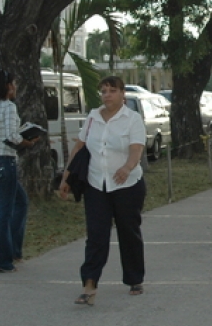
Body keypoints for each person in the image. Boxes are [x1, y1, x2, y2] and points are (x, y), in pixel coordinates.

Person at [59, 76, 148, 303]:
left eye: (112, 90)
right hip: (96, 184)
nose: (107, 94)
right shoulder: (92, 117)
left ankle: (134, 278)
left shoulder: (132, 119)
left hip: (126, 185)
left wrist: (128, 167)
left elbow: (136, 148)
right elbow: (79, 147)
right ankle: (89, 283)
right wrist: (66, 177)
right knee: (96, 235)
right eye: (104, 90)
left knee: (128, 232)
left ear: (122, 94)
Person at [0, 70, 38, 273]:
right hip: (5, 160)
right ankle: (1, 260)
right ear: (7, 86)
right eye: (13, 84)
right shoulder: (9, 107)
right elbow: (12, 136)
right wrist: (28, 141)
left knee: (20, 202)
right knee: (4, 211)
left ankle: (13, 250)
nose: (15, 88)